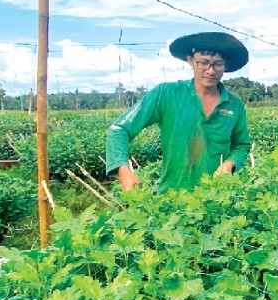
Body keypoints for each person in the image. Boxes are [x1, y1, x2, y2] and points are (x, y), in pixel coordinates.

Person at [106, 32, 252, 192]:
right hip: (173, 200)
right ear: (190, 60)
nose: (211, 71)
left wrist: (230, 163)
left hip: (218, 199)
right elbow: (119, 130)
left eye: (218, 64)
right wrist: (124, 171)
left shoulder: (234, 104)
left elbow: (241, 145)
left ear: (226, 65)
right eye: (203, 63)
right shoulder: (166, 94)